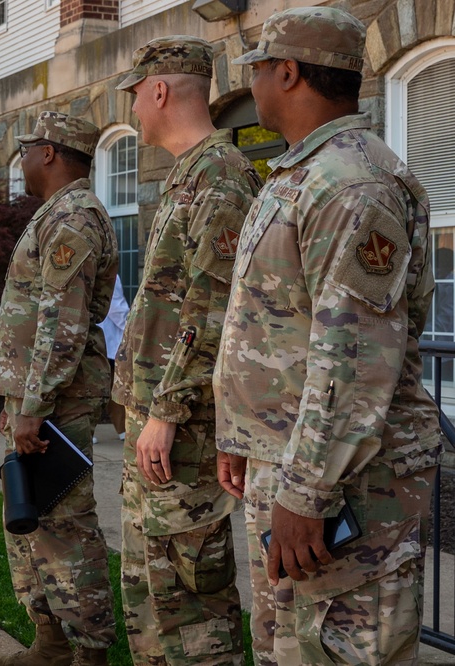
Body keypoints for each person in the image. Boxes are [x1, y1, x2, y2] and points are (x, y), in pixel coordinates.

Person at [214, 7, 442, 664]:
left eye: (257, 66)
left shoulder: (350, 183)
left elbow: (354, 357)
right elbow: (278, 322)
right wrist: (243, 436)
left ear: (287, 72)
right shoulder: (302, 172)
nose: (252, 80)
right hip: (289, 468)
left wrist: (306, 490)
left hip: (344, 488)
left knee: (336, 652)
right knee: (289, 650)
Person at [112, 36, 261, 665]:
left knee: (190, 602)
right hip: (155, 418)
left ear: (160, 90)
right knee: (149, 593)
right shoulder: (186, 175)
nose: (134, 110)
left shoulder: (221, 178)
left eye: (135, 96)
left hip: (186, 427)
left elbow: (215, 307)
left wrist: (167, 412)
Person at [0, 111, 118, 666]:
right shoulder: (55, 215)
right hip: (35, 399)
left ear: (52, 154)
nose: (22, 157)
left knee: (65, 531)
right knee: (30, 522)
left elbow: (63, 325)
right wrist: (20, 403)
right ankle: (50, 645)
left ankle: (88, 654)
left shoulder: (73, 221)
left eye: (28, 147)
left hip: (57, 404)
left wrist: (34, 408)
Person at [97, 275, 129, 441]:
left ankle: (120, 428)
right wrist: (130, 330)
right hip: (108, 340)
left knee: (92, 387)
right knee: (115, 387)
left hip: (91, 337)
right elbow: (116, 306)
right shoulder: (109, 272)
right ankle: (122, 428)